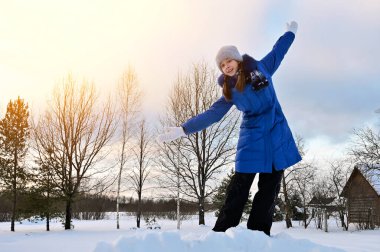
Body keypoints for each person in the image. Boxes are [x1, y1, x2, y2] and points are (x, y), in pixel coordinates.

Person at [158, 21, 302, 236]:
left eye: (229, 61)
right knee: (238, 190)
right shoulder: (229, 90)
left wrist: (289, 33)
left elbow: (278, 51)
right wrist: (183, 129)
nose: (226, 66)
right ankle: (221, 235)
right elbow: (212, 114)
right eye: (222, 65)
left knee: (269, 191)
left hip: (276, 137)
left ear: (237, 59)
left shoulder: (262, 67)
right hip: (251, 139)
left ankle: (259, 236)